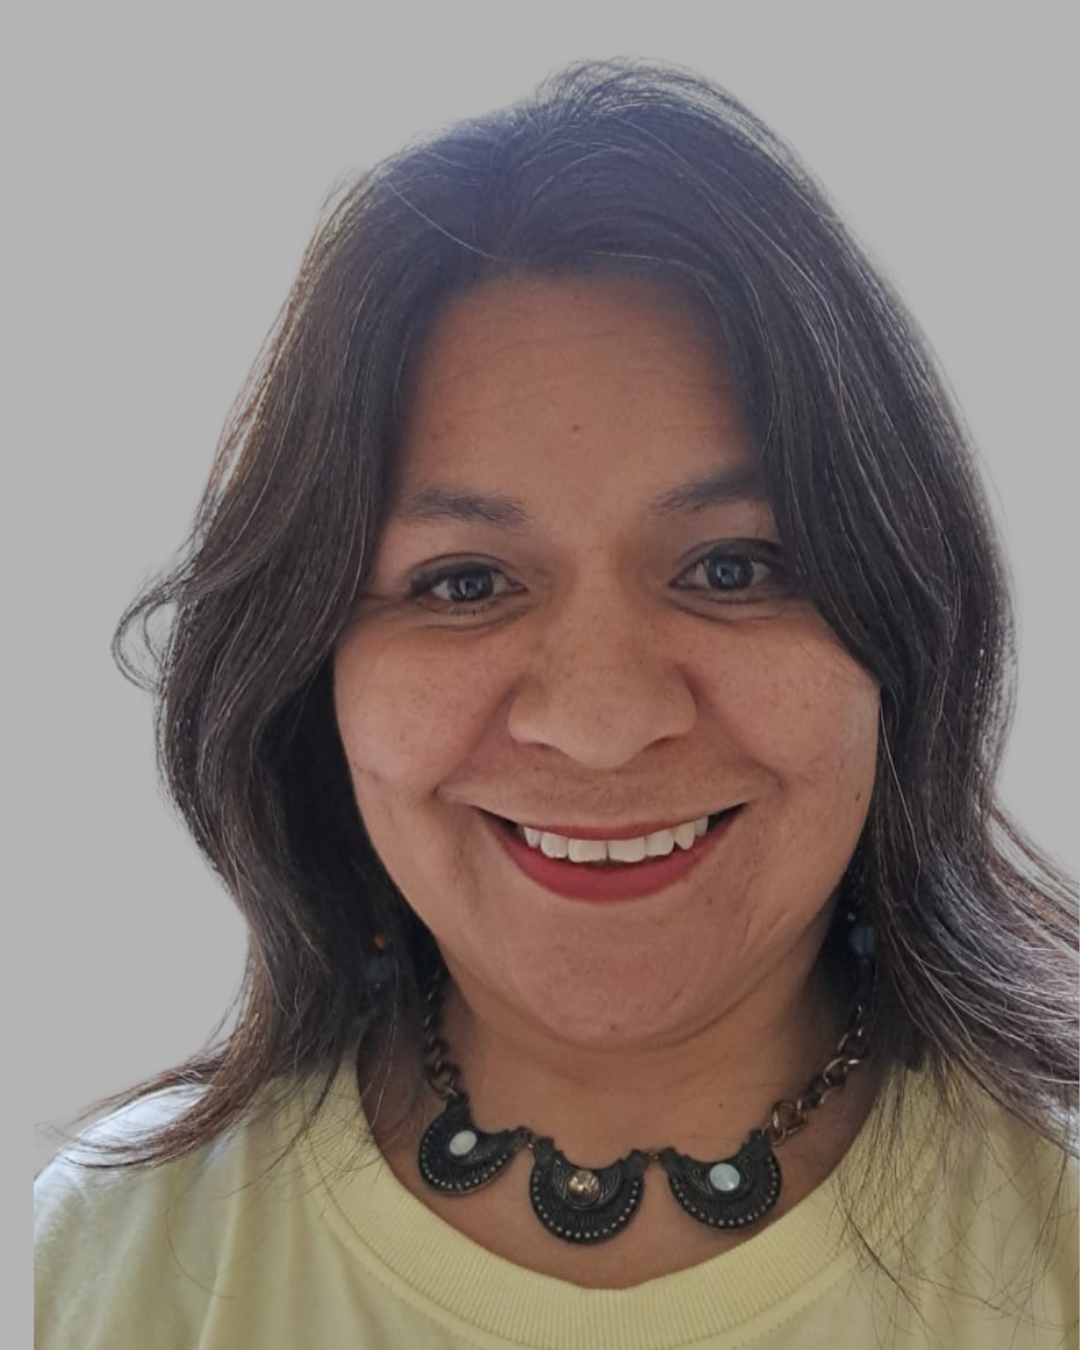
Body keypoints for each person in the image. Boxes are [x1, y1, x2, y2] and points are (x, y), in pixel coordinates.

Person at [35, 58, 1077, 1349]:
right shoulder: (104, 1268)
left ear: (903, 635)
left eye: (733, 568)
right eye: (464, 582)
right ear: (308, 671)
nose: (600, 719)